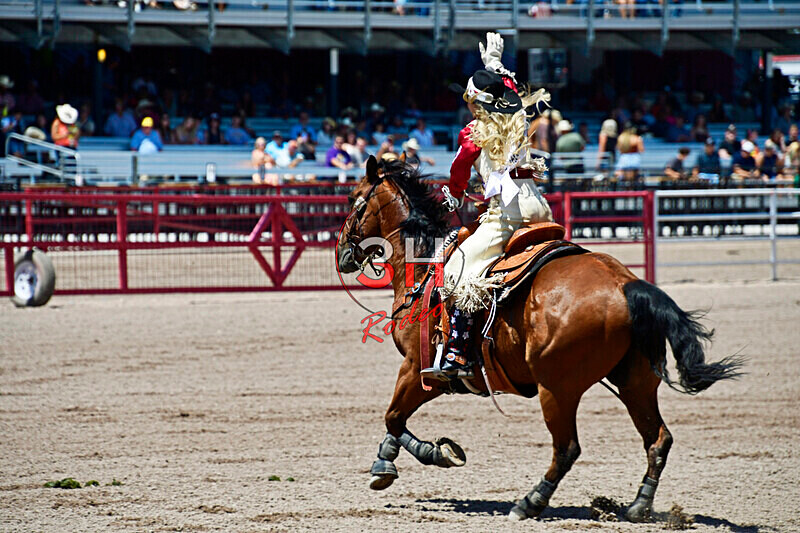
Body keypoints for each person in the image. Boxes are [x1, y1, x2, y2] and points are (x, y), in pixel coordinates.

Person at [433, 32, 552, 378]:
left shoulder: (472, 133)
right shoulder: (517, 122)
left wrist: (454, 194)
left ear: (474, 104)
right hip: (539, 209)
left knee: (458, 272)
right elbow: (511, 94)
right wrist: (495, 66)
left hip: (507, 215)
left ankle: (457, 353)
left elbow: (459, 169)